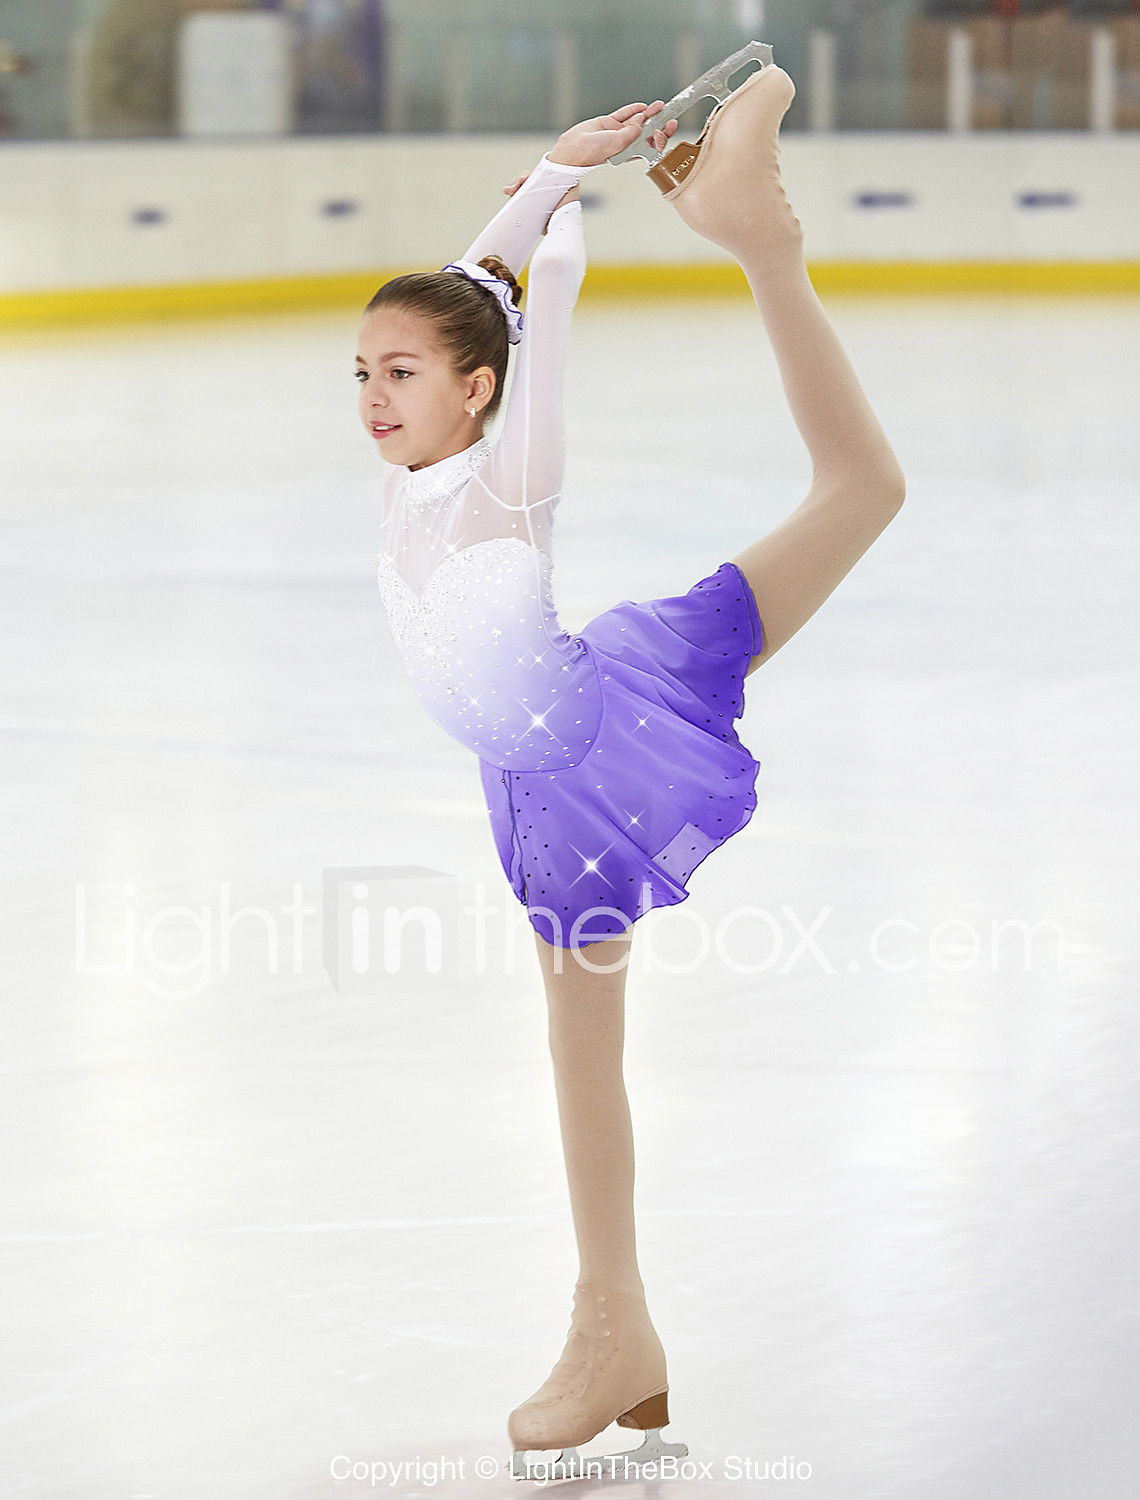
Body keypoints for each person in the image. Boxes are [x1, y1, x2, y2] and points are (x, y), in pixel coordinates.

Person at [356, 62, 905, 1469]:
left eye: (401, 374)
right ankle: (622, 1329)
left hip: (597, 746)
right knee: (573, 1042)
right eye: (363, 372)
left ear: (480, 390)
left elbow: (518, 317)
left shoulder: (511, 465)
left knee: (862, 491)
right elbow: (470, 294)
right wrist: (543, 175)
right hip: (546, 751)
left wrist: (553, 223)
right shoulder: (417, 467)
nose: (373, 393)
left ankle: (614, 1326)